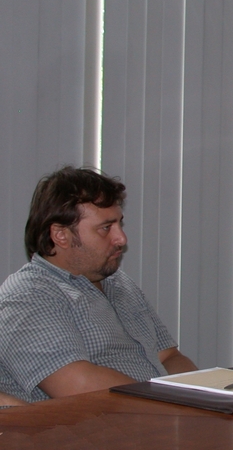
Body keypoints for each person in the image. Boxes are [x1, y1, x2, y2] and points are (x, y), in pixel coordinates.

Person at [0, 166, 197, 403]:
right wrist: (169, 402)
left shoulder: (118, 282)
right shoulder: (27, 295)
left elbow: (168, 357)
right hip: (96, 430)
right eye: (106, 228)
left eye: (119, 224)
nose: (121, 238)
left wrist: (204, 397)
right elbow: (76, 385)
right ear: (61, 235)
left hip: (156, 419)